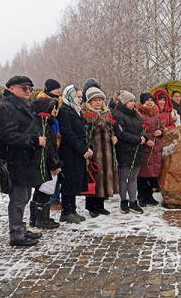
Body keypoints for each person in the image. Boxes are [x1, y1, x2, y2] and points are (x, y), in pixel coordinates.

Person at [0, 76, 45, 247]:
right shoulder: (6, 107)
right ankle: (16, 232)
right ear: (12, 88)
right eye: (24, 88)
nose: (28, 91)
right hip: (15, 160)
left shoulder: (19, 105)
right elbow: (9, 136)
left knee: (25, 196)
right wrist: (35, 141)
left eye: (30, 88)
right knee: (18, 198)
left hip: (25, 159)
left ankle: (21, 228)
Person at [57, 85, 91, 224]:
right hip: (69, 152)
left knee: (75, 180)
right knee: (68, 182)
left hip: (77, 152)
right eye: (77, 96)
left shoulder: (76, 110)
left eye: (81, 97)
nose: (80, 99)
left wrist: (86, 148)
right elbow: (68, 134)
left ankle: (73, 209)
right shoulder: (64, 111)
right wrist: (82, 149)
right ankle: (66, 211)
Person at [82, 87, 118, 218]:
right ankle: (91, 206)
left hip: (107, 151)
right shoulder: (85, 115)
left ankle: (101, 205)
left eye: (100, 100)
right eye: (95, 100)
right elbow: (84, 134)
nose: (98, 102)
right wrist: (87, 147)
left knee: (104, 178)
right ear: (89, 102)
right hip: (94, 151)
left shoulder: (107, 113)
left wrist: (114, 137)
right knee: (94, 178)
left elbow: (112, 130)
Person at [28, 97, 62, 229]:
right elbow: (48, 147)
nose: (55, 111)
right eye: (52, 108)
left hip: (45, 162)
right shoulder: (42, 125)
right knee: (45, 190)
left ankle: (35, 218)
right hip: (46, 163)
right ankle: (42, 219)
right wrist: (54, 164)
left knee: (40, 190)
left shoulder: (46, 123)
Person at [113, 91, 146, 214]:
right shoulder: (118, 115)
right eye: (130, 101)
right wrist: (137, 140)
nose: (133, 103)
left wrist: (144, 136)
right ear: (124, 102)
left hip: (137, 150)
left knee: (133, 178)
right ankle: (123, 201)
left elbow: (143, 128)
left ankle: (133, 201)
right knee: (124, 177)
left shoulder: (136, 114)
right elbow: (121, 133)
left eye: (133, 101)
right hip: (125, 151)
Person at [137, 93, 165, 207]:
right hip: (145, 147)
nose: (149, 102)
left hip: (156, 147)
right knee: (143, 174)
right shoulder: (139, 115)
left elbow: (162, 128)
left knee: (151, 174)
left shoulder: (156, 115)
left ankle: (149, 196)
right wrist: (147, 139)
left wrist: (161, 131)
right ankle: (141, 197)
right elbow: (138, 130)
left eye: (151, 100)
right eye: (147, 100)